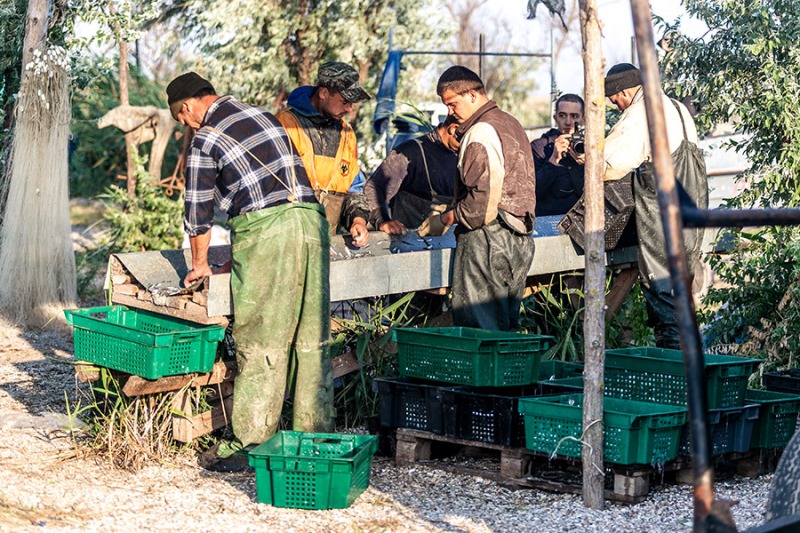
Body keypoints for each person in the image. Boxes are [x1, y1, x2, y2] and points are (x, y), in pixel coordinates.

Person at [166, 72, 334, 471]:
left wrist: (200, 265)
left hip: (268, 231)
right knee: (312, 338)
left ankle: (250, 443)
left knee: (262, 339)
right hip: (312, 224)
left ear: (188, 106)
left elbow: (197, 213)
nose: (184, 125)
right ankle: (313, 439)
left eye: (179, 117)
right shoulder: (263, 116)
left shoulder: (205, 138)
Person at [603, 63, 708, 349]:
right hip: (690, 209)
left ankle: (674, 365)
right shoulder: (677, 107)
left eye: (616, 101)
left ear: (624, 92)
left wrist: (587, 160)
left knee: (662, 285)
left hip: (664, 212)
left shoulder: (641, 112)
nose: (618, 107)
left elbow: (611, 163)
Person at [436, 66, 537, 331]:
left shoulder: (480, 132)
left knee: (480, 330)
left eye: (452, 103)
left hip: (487, 241)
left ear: (472, 94)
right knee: (504, 329)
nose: (450, 111)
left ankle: (487, 374)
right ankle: (506, 374)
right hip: (519, 238)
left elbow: (482, 201)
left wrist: (450, 217)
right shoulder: (510, 123)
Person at [275, 62, 371, 246]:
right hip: (286, 244)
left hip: (326, 246)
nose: (350, 109)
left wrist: (358, 220)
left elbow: (354, 188)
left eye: (351, 103)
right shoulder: (286, 123)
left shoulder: (347, 134)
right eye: (344, 101)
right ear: (323, 93)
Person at [363, 116, 460, 234]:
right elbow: (373, 188)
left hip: (449, 245)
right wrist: (382, 221)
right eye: (467, 136)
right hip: (410, 245)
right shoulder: (410, 152)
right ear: (453, 129)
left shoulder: (462, 156)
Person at [531, 93, 586, 216]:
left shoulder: (590, 147)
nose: (568, 122)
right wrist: (553, 160)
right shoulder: (540, 147)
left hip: (580, 220)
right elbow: (532, 192)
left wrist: (585, 164)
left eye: (574, 116)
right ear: (555, 118)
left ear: (583, 119)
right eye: (562, 115)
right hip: (547, 219)